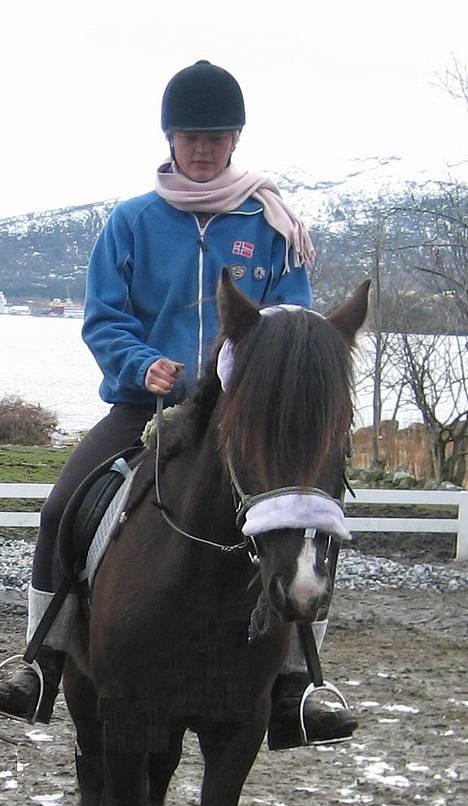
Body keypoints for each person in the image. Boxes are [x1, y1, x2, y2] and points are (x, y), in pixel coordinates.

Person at [0, 60, 356, 746]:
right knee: (59, 509)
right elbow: (104, 319)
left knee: (313, 514)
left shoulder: (273, 225)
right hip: (149, 408)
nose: (203, 147)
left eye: (217, 135)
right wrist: (144, 365)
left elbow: (296, 327)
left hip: (246, 416)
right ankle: (39, 661)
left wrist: (245, 375)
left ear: (235, 139)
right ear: (170, 138)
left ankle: (298, 682)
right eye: (191, 135)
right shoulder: (131, 222)